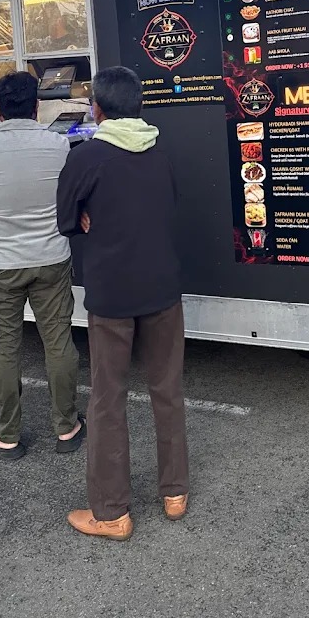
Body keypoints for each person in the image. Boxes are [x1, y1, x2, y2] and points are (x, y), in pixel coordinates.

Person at [57, 66, 187, 541]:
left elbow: (64, 218)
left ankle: (112, 513)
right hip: (163, 288)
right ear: (139, 106)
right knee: (167, 388)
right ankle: (175, 493)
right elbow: (167, 207)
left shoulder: (87, 157)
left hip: (112, 294)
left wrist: (85, 217)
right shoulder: (161, 153)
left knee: (108, 398)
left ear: (97, 108)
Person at [0, 71, 85, 460]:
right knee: (58, 343)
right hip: (52, 260)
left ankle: (7, 436)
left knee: (3, 350)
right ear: (36, 107)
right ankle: (67, 428)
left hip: (0, 265)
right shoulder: (59, 145)